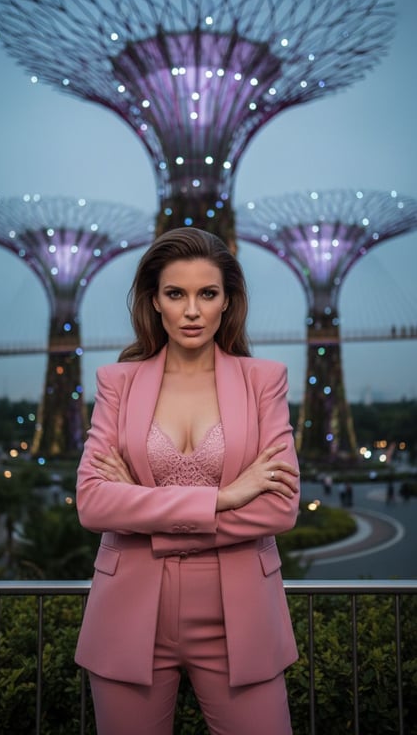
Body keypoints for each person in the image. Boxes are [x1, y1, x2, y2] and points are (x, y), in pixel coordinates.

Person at [75, 227, 300, 735]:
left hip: (239, 618)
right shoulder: (119, 382)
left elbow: (279, 507)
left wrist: (140, 505)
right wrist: (225, 497)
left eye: (208, 293)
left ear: (228, 302)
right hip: (129, 615)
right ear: (155, 301)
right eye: (176, 294)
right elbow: (91, 502)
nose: (192, 310)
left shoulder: (263, 380)